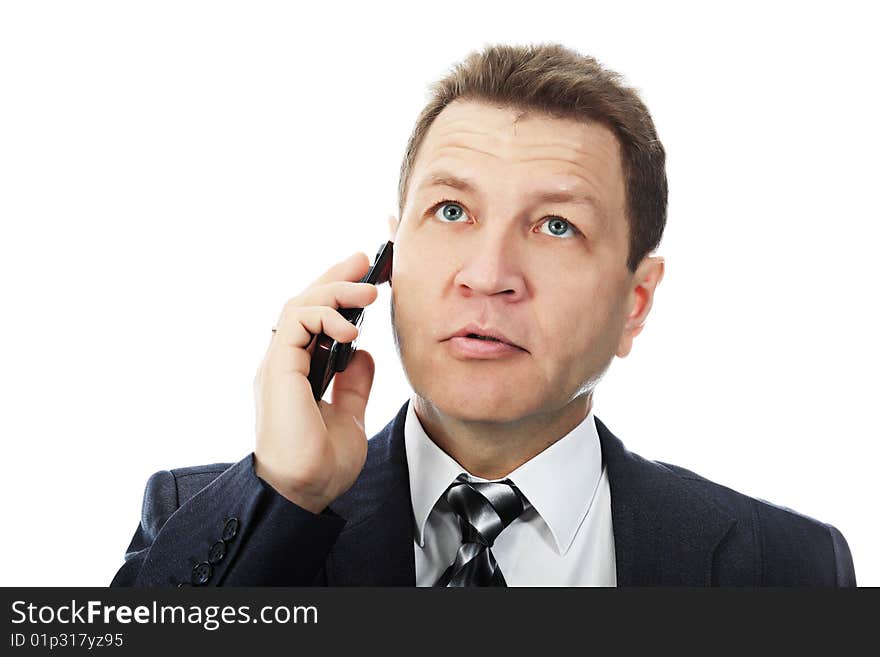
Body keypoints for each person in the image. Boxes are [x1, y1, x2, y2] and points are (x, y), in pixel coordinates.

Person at [110, 42, 856, 587]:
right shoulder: (199, 521)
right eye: (452, 209)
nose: (489, 275)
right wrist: (286, 495)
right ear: (388, 260)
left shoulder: (789, 567)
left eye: (557, 225)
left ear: (636, 303)